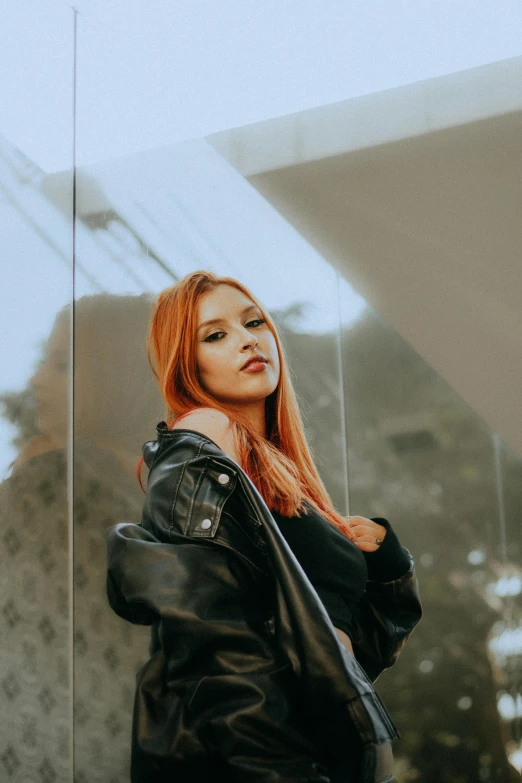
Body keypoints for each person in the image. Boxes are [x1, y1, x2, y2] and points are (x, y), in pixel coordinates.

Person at [106, 270, 422, 782]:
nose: (248, 338)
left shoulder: (280, 476)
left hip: (320, 750)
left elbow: (344, 655)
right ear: (187, 365)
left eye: (254, 322)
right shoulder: (203, 436)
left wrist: (388, 570)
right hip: (263, 758)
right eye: (215, 335)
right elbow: (210, 632)